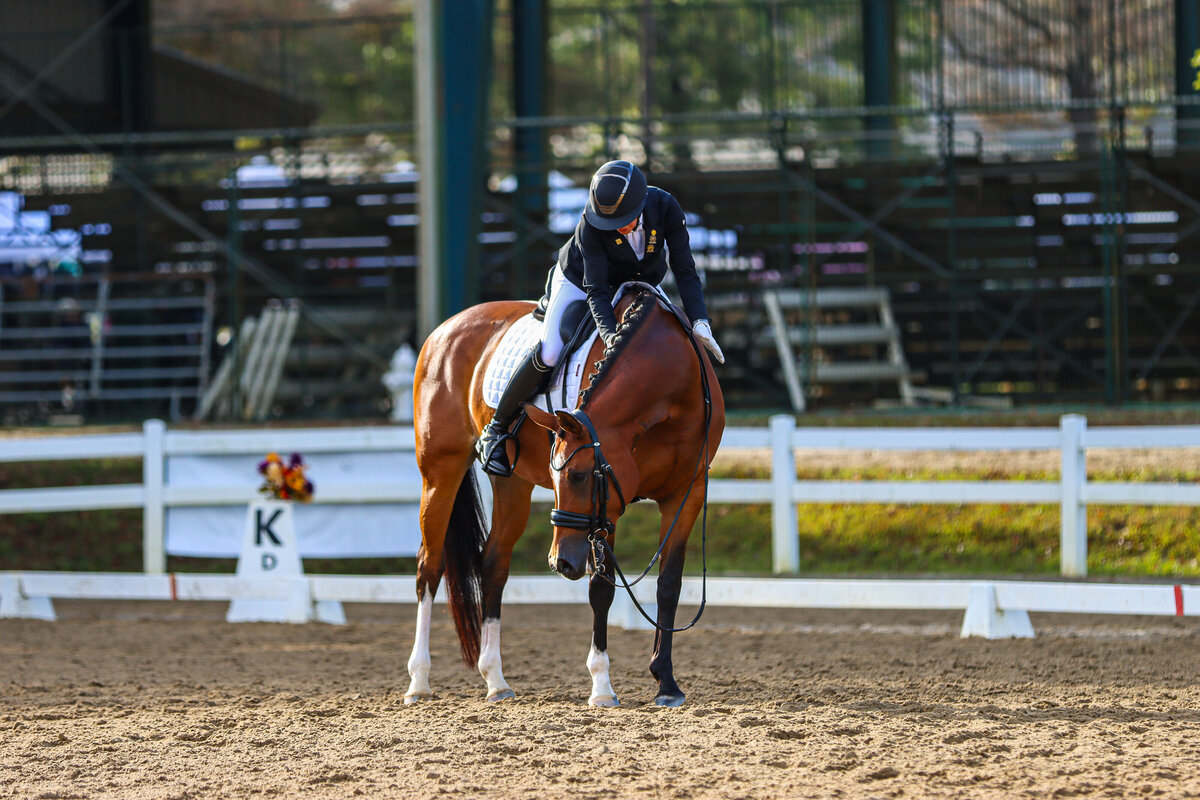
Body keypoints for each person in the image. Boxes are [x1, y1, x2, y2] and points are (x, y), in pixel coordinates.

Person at [478, 159, 725, 477]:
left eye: (623, 220)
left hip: (641, 281)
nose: (617, 228)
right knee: (551, 348)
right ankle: (496, 430)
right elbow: (596, 292)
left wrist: (700, 320)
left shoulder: (665, 207)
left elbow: (685, 268)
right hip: (580, 282)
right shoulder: (591, 225)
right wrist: (613, 340)